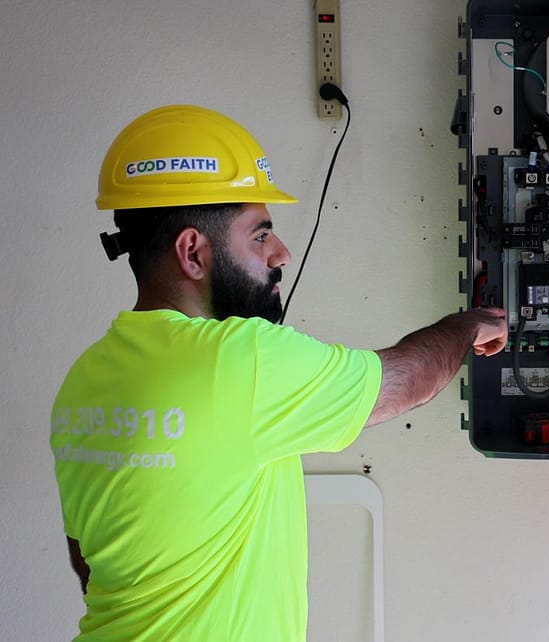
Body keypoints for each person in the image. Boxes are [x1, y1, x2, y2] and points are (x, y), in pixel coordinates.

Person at [50, 104, 507, 640]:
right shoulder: (239, 359)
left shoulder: (85, 381)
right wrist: (468, 324)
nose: (281, 253)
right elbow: (402, 380)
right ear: (192, 252)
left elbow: (90, 563)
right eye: (260, 235)